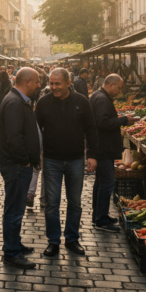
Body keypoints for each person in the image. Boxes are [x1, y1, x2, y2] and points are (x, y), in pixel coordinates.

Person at [37, 67, 100, 257]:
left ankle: (72, 239)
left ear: (68, 83)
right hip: (51, 160)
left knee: (75, 203)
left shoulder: (81, 101)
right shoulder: (44, 102)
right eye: (51, 83)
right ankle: (53, 241)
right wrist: (35, 156)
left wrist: (92, 155)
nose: (54, 87)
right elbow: (36, 131)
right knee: (51, 204)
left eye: (58, 84)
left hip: (75, 160)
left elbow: (91, 129)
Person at [0, 68, 42, 269]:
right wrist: (25, 161)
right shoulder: (14, 102)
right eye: (37, 82)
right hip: (15, 165)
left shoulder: (17, 99)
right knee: (14, 209)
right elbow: (15, 138)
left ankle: (14, 243)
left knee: (16, 208)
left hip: (16, 164)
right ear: (28, 82)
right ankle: (11, 253)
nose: (39, 85)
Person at [90, 74, 136, 232]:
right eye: (119, 87)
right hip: (104, 147)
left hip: (101, 146)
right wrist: (123, 120)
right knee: (107, 183)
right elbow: (103, 122)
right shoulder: (102, 99)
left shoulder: (98, 95)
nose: (119, 91)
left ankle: (98, 215)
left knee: (100, 182)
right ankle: (101, 220)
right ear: (110, 84)